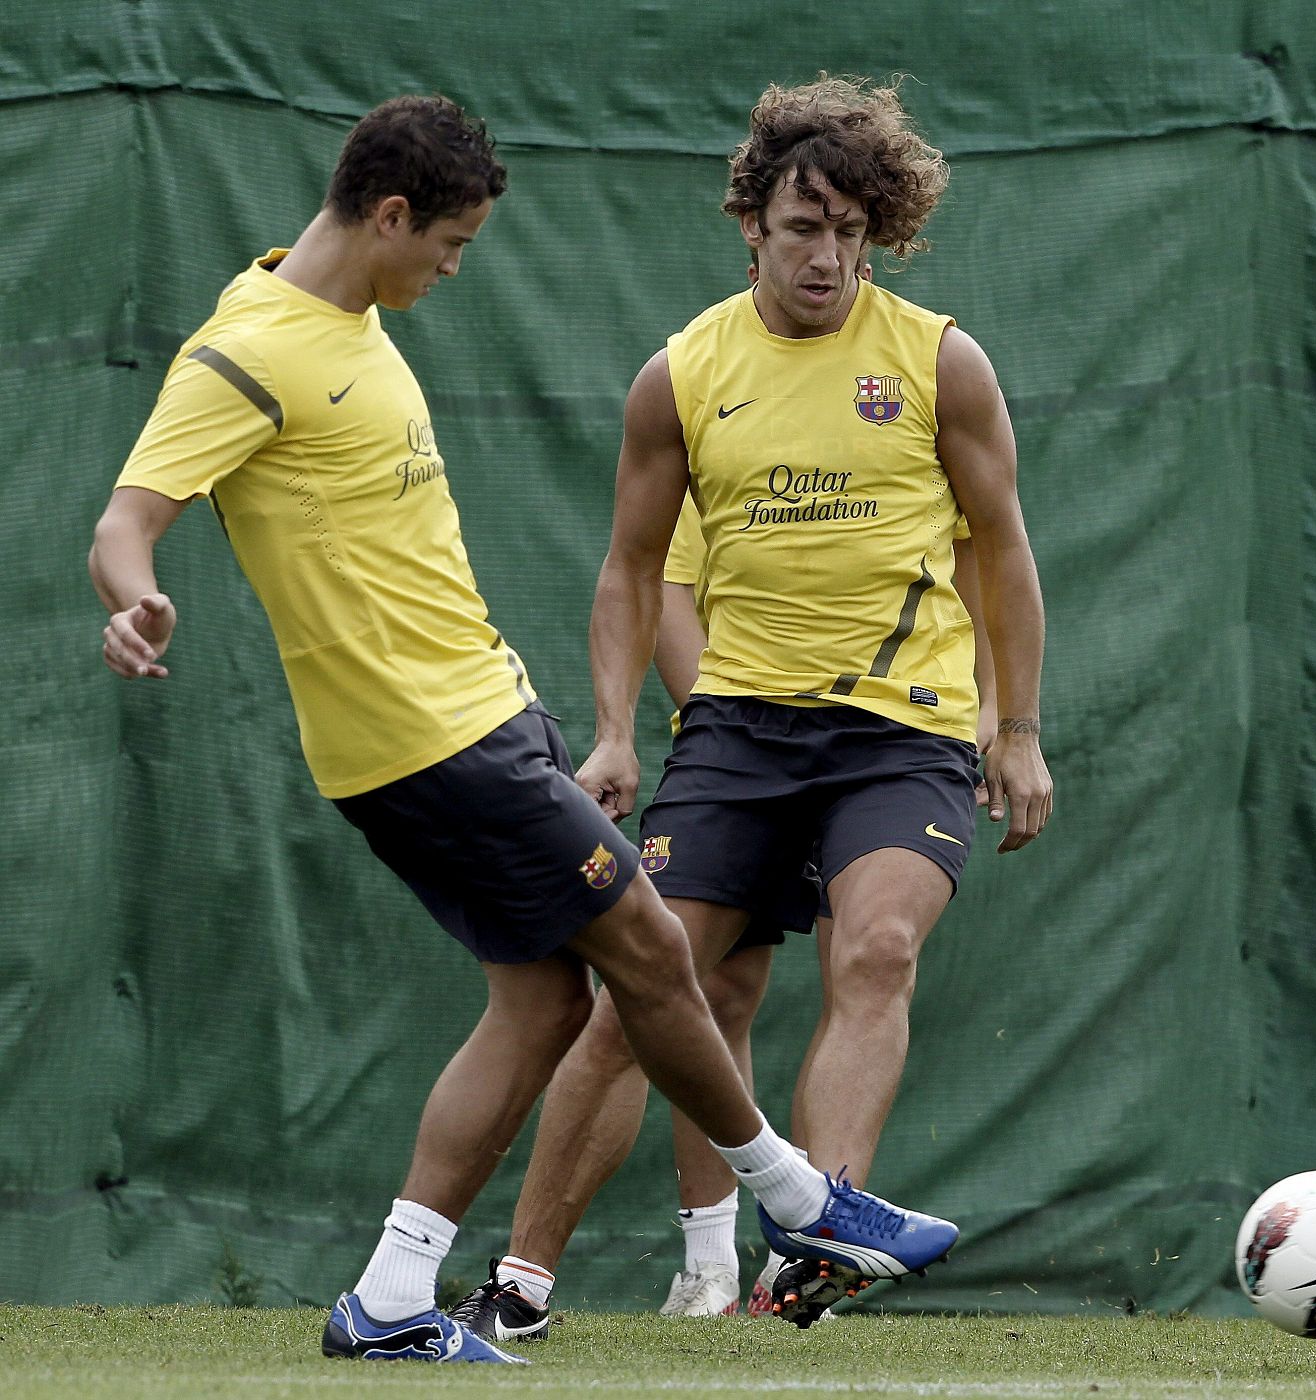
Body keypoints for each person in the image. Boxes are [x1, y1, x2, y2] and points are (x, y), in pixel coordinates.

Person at [86, 93, 959, 1367]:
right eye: (449, 243)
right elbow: (126, 517)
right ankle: (805, 1204)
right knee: (656, 955)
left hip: (480, 721)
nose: (453, 266)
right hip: (428, 740)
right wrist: (135, 598)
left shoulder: (345, 315)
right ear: (389, 215)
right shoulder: (249, 350)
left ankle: (391, 1298)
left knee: (544, 998)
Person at [449, 72, 1051, 1339]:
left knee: (876, 948)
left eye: (849, 232)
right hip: (737, 727)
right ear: (751, 225)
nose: (825, 256)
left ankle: (805, 1262)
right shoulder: (682, 372)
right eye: (801, 229)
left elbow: (1001, 548)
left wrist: (1018, 729)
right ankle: (522, 1282)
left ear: (876, 233)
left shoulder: (940, 361)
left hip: (905, 728)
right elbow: (627, 567)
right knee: (638, 993)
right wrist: (615, 728)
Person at [655, 479, 999, 1322]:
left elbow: (979, 564)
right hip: (744, 743)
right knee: (707, 990)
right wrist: (729, 725)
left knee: (875, 951)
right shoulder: (712, 395)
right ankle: (706, 1266)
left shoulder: (913, 415)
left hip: (891, 742)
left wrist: (997, 713)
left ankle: (808, 1261)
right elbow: (662, 592)